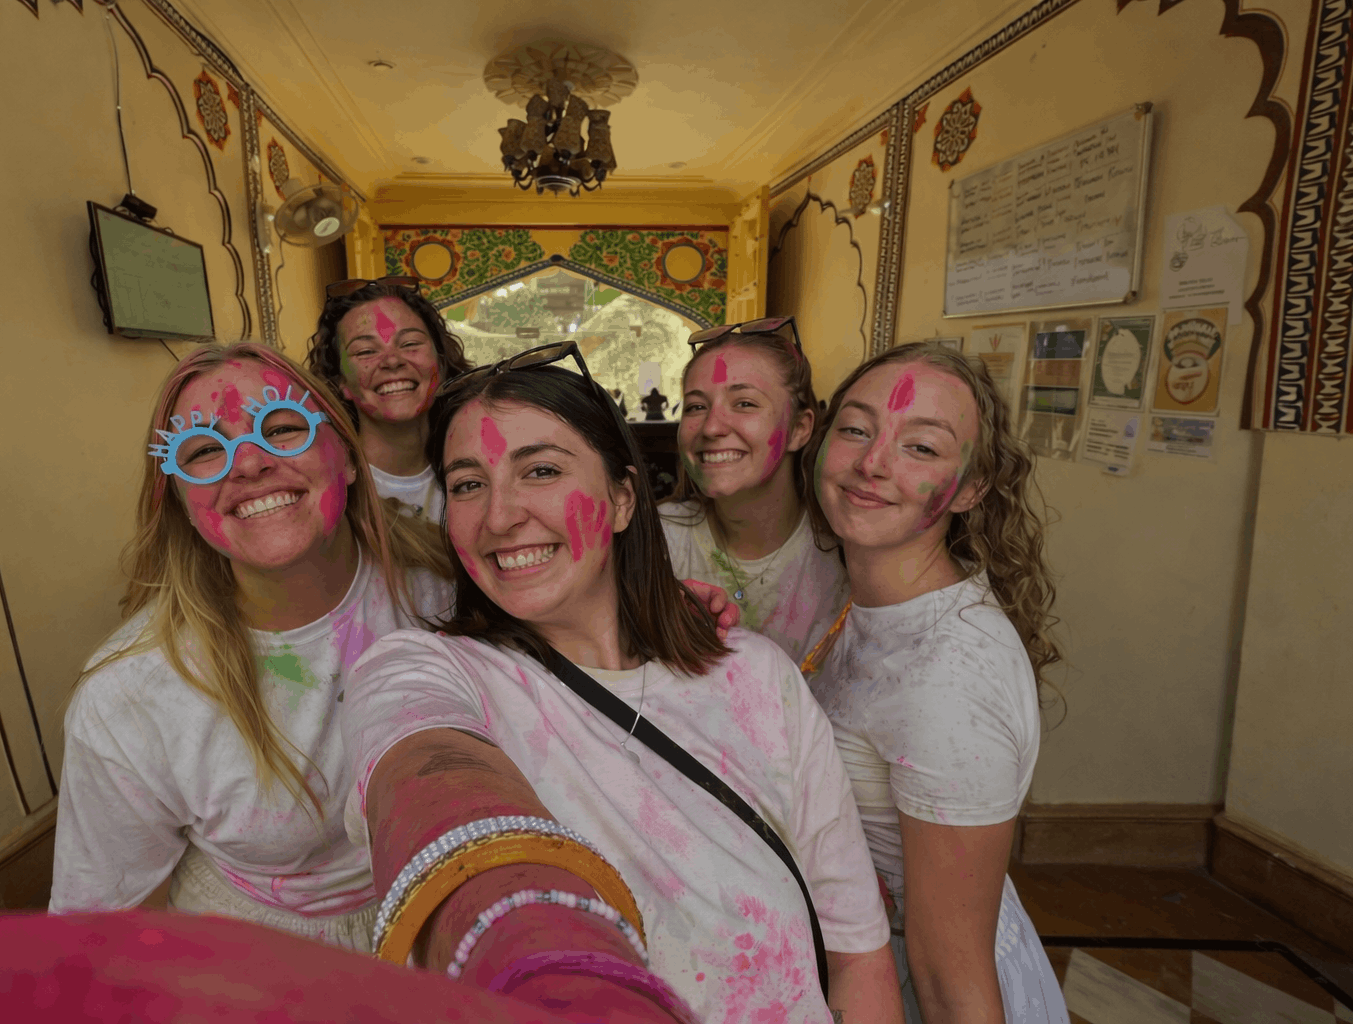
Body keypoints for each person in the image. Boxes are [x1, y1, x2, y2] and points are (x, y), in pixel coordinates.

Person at [340, 345, 904, 1024]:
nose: (499, 516)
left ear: (621, 498)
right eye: (467, 484)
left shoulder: (754, 677)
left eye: (541, 471)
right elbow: (423, 770)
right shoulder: (426, 669)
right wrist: (533, 939)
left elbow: (856, 956)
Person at [50, 343, 451, 948]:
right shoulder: (129, 695)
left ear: (346, 455)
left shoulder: (449, 593)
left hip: (450, 908)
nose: (249, 461)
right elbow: (98, 931)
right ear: (181, 501)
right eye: (206, 450)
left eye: (284, 429)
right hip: (259, 957)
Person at [802, 342, 1069, 1024]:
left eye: (921, 448)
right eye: (857, 429)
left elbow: (953, 981)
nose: (871, 463)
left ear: (973, 487)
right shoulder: (870, 599)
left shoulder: (947, 676)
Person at [660, 316, 849, 674]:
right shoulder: (655, 541)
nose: (712, 427)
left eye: (745, 403)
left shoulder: (846, 552)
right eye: (696, 407)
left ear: (799, 429)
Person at [308, 276, 473, 523]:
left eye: (410, 343)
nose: (392, 361)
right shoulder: (328, 491)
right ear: (340, 382)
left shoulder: (475, 469)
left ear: (440, 362)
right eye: (365, 351)